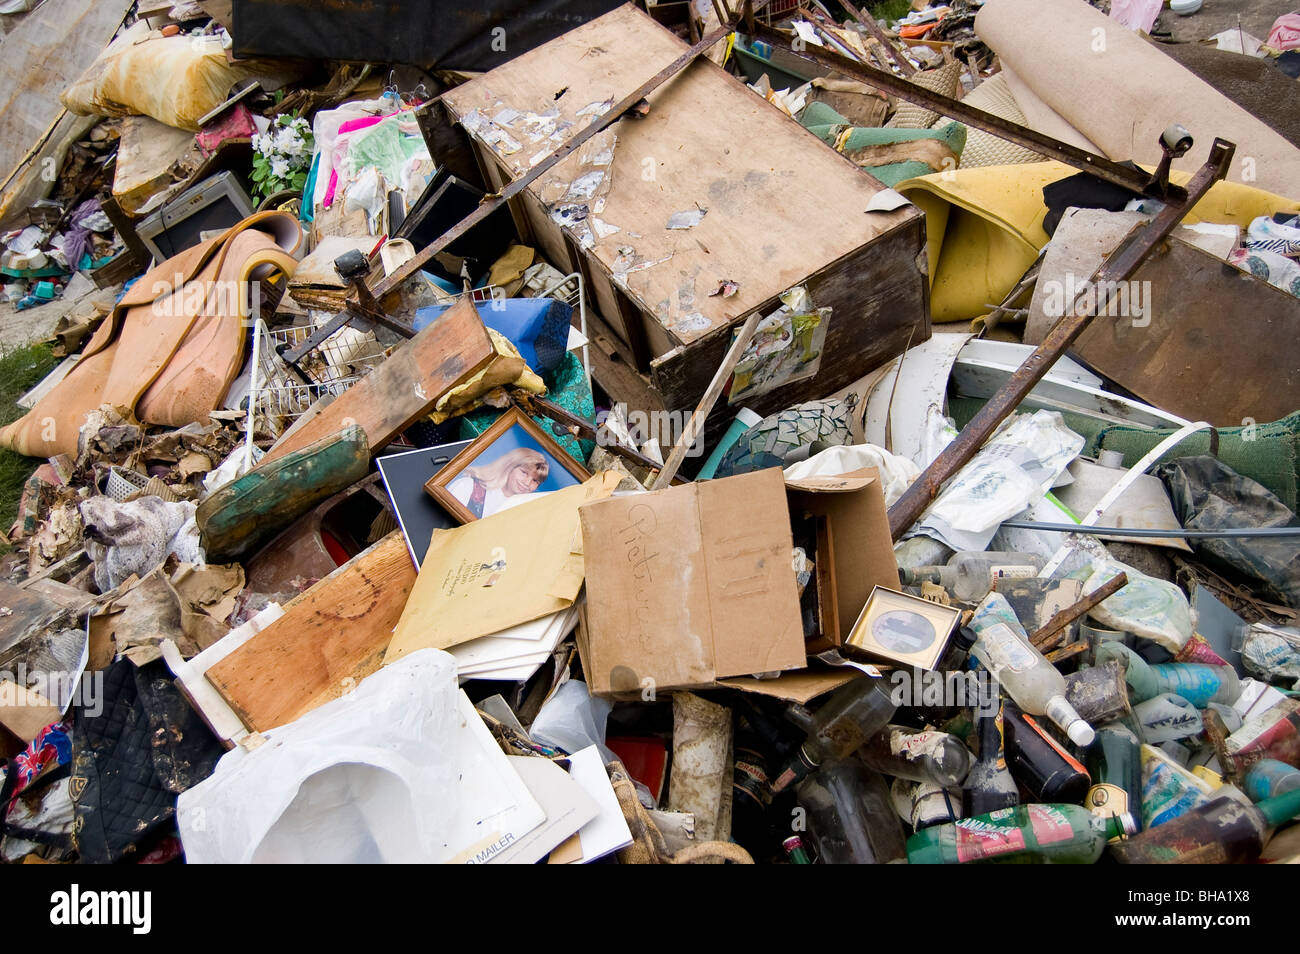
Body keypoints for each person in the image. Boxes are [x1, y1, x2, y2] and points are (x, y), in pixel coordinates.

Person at [447, 447, 549, 518]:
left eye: (535, 480)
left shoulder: (523, 514)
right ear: (509, 466)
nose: (527, 483)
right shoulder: (467, 486)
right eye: (524, 472)